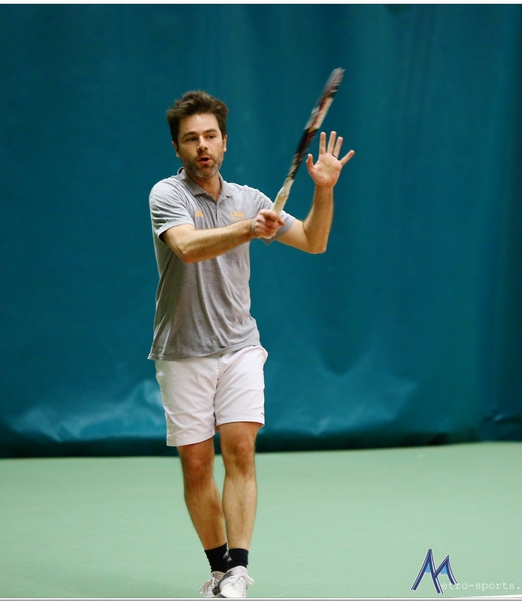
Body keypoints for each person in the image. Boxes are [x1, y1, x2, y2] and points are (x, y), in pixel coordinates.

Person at [147, 90, 354, 598]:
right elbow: (187, 248)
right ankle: (218, 567)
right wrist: (246, 230)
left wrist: (324, 190)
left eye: (210, 136)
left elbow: (314, 241)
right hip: (183, 351)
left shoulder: (250, 198)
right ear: (177, 147)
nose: (202, 146)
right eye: (191, 139)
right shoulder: (166, 195)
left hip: (240, 346)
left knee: (240, 449)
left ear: (224, 142)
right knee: (198, 466)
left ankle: (238, 570)